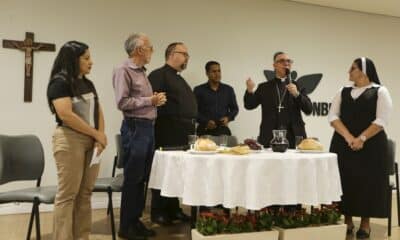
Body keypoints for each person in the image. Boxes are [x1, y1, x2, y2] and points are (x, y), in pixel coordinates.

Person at [47, 41, 107, 240]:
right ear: (74, 59)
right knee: (67, 195)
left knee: (85, 193)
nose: (92, 62)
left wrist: (101, 135)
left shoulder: (88, 83)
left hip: (92, 141)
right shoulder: (60, 82)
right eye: (86, 58)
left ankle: (82, 237)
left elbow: (98, 110)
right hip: (69, 139)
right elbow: (66, 115)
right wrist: (95, 133)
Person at [328, 57, 392, 239]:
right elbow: (333, 116)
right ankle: (347, 220)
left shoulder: (380, 91)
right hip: (343, 142)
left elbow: (382, 120)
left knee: (367, 183)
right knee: (344, 180)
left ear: (363, 71)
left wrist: (362, 138)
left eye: (352, 68)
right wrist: (349, 137)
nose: (349, 71)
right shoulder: (343, 91)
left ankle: (365, 224)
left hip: (371, 145)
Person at [112, 33, 166, 240]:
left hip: (147, 128)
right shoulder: (123, 70)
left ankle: (136, 222)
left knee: (143, 178)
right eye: (150, 47)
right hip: (135, 128)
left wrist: (153, 101)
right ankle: (126, 227)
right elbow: (122, 102)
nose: (152, 51)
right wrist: (150, 101)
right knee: (133, 179)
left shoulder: (142, 72)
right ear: (139, 50)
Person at [149, 42, 196, 225]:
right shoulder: (158, 75)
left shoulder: (178, 77)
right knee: (164, 171)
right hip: (166, 130)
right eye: (184, 54)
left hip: (182, 132)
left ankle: (174, 209)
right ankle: (158, 211)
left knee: (176, 173)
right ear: (171, 54)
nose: (187, 58)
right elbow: (153, 102)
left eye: (187, 55)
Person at [244, 51, 312, 148]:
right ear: (274, 65)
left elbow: (309, 109)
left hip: (294, 136)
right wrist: (249, 90)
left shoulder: (298, 86)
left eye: (288, 61)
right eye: (282, 61)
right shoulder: (264, 87)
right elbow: (249, 105)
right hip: (269, 136)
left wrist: (297, 94)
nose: (286, 63)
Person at [194, 61, 239, 136]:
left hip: (223, 130)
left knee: (225, 147)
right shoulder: (199, 90)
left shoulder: (228, 90)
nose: (217, 74)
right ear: (207, 73)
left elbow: (235, 109)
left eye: (219, 71)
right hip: (204, 130)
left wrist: (228, 118)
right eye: (214, 71)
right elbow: (194, 111)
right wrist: (205, 121)